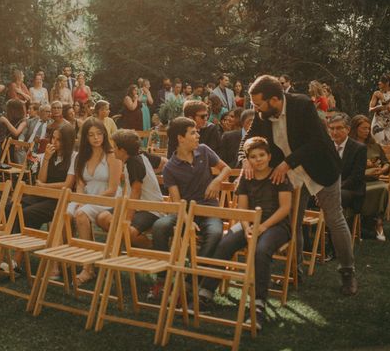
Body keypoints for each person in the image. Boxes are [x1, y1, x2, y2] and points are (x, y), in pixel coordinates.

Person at [242, 75, 357, 295]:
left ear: (274, 99)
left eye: (258, 103)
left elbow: (317, 141)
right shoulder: (262, 115)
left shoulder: (302, 105)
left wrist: (287, 163)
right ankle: (294, 273)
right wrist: (245, 158)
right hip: (292, 177)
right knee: (291, 223)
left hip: (322, 169)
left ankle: (348, 273)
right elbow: (247, 139)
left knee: (335, 219)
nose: (255, 109)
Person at [199, 137, 292, 331]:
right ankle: (205, 293)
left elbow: (285, 208)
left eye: (261, 155)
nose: (258, 160)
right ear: (248, 159)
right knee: (224, 243)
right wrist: (247, 225)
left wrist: (262, 227)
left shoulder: (279, 177)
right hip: (248, 222)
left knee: (261, 250)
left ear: (269, 156)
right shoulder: (246, 178)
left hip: (275, 225)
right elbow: (242, 208)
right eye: (253, 157)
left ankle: (258, 304)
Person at [150, 117, 229, 297]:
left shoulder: (204, 151)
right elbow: (178, 202)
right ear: (180, 138)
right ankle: (161, 280)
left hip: (209, 209)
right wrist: (187, 220)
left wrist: (216, 181)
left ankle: (190, 281)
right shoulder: (170, 167)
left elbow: (225, 168)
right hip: (185, 211)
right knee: (159, 226)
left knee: (215, 233)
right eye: (193, 132)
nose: (197, 135)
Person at [0, 125, 77, 274]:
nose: (55, 142)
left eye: (60, 140)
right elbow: (40, 179)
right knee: (10, 208)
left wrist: (45, 186)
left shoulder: (74, 157)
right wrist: (46, 159)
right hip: (42, 194)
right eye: (53, 138)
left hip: (59, 199)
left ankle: (16, 260)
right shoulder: (49, 154)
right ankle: (0, 255)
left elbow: (67, 185)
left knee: (27, 213)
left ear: (68, 141)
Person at [67, 118, 122, 284]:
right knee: (66, 213)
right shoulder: (82, 156)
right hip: (87, 197)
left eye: (99, 134)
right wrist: (80, 199)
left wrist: (87, 201)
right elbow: (80, 185)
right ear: (86, 138)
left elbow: (113, 188)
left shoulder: (112, 155)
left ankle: (88, 268)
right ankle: (61, 261)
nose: (96, 138)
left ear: (104, 134)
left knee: (81, 214)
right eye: (91, 135)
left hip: (108, 198)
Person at [96, 129, 165, 248]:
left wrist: (127, 219)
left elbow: (136, 192)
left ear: (122, 150)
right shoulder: (139, 154)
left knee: (127, 231)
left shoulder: (135, 162)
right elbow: (163, 161)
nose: (113, 150)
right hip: (136, 207)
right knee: (102, 218)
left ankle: (153, 249)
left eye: (115, 147)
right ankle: (123, 246)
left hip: (150, 209)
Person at [349, 114, 389, 241]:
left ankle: (378, 223)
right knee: (365, 190)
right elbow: (347, 169)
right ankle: (363, 223)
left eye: (368, 128)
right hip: (357, 181)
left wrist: (384, 169)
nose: (367, 131)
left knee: (383, 187)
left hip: (375, 179)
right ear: (355, 129)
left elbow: (386, 162)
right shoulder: (350, 146)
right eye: (363, 128)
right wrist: (365, 170)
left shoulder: (374, 145)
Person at [328, 113, 366, 220]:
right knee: (304, 196)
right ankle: (304, 235)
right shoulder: (325, 146)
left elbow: (355, 178)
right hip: (329, 189)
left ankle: (334, 233)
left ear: (348, 129)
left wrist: (333, 189)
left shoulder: (359, 148)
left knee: (334, 197)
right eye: (332, 128)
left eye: (339, 128)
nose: (334, 132)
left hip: (351, 190)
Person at [369, 74, 390, 145]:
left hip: (389, 124)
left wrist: (383, 99)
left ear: (387, 83)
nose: (379, 83)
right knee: (379, 146)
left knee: (389, 148)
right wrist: (380, 106)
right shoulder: (376, 93)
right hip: (377, 123)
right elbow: (370, 109)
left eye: (381, 81)